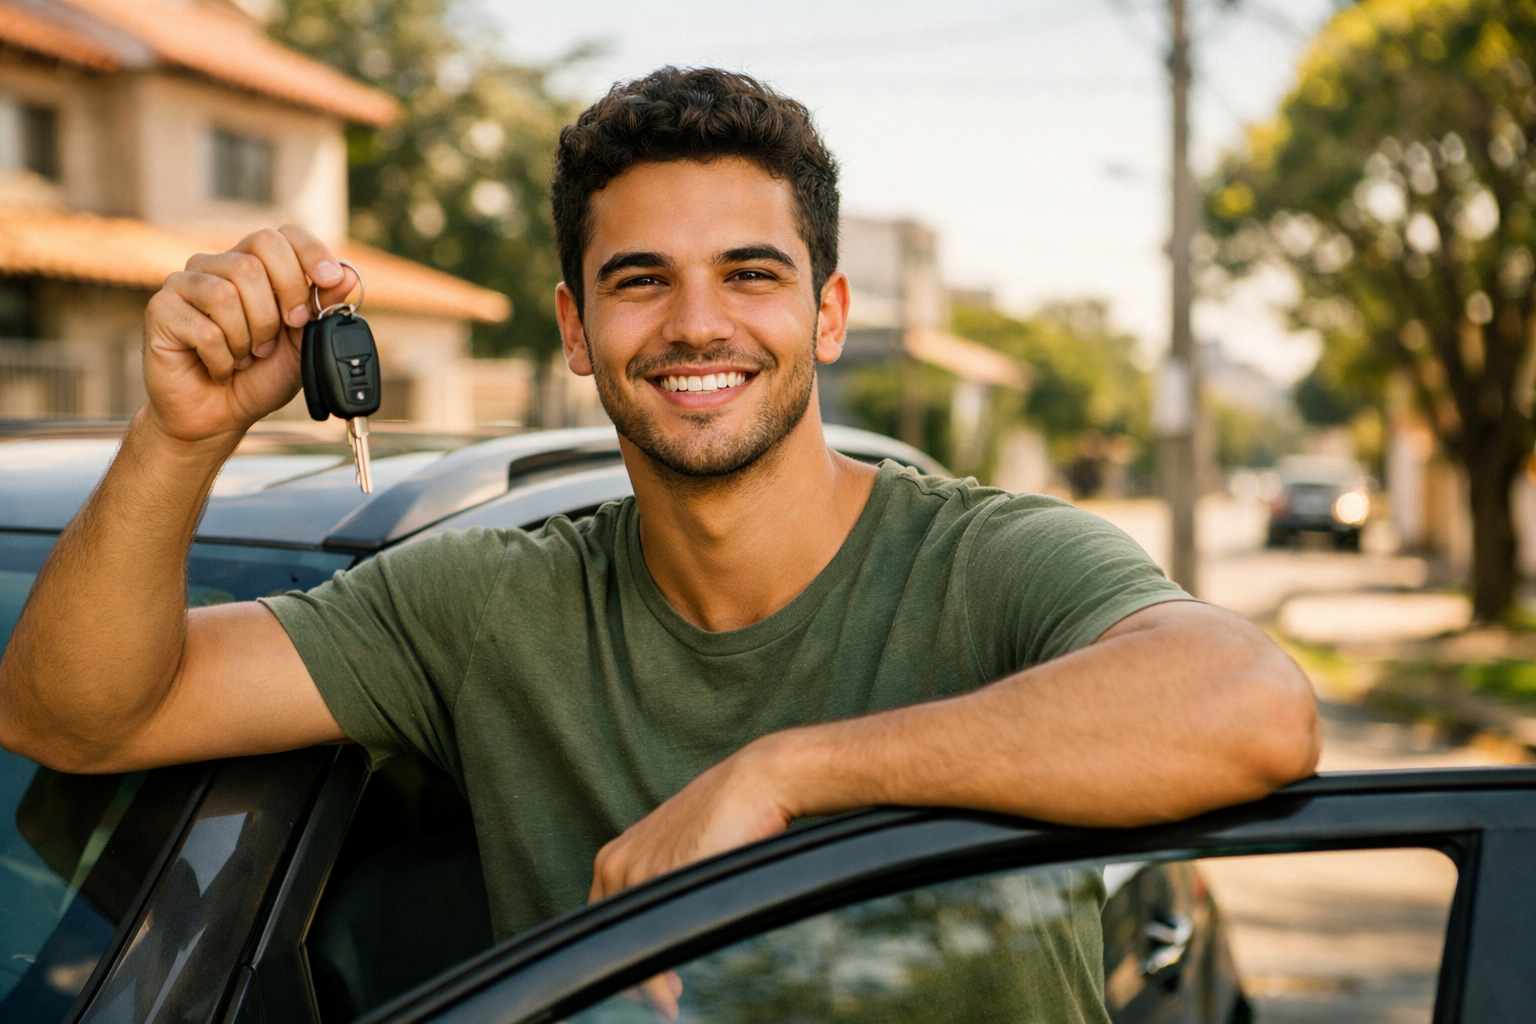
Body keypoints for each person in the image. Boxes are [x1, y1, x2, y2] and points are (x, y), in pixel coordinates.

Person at [0, 67, 1317, 1018]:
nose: (699, 325)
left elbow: (1252, 706)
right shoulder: (486, 605)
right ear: (575, 330)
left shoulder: (986, 561)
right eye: (641, 281)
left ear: (829, 311)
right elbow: (83, 719)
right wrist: (179, 437)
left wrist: (787, 775)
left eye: (751, 273)